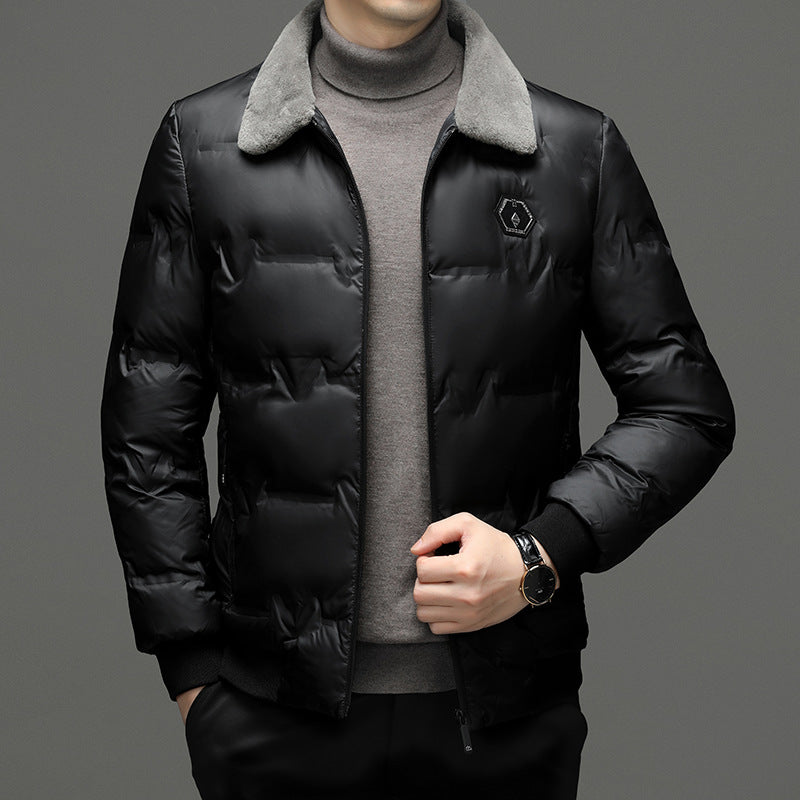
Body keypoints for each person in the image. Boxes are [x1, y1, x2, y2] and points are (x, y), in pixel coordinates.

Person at [99, 1, 736, 798]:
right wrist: (193, 669)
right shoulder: (203, 145)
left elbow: (685, 406)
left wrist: (537, 556)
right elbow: (147, 432)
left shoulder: (574, 150)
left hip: (504, 717)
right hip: (271, 713)